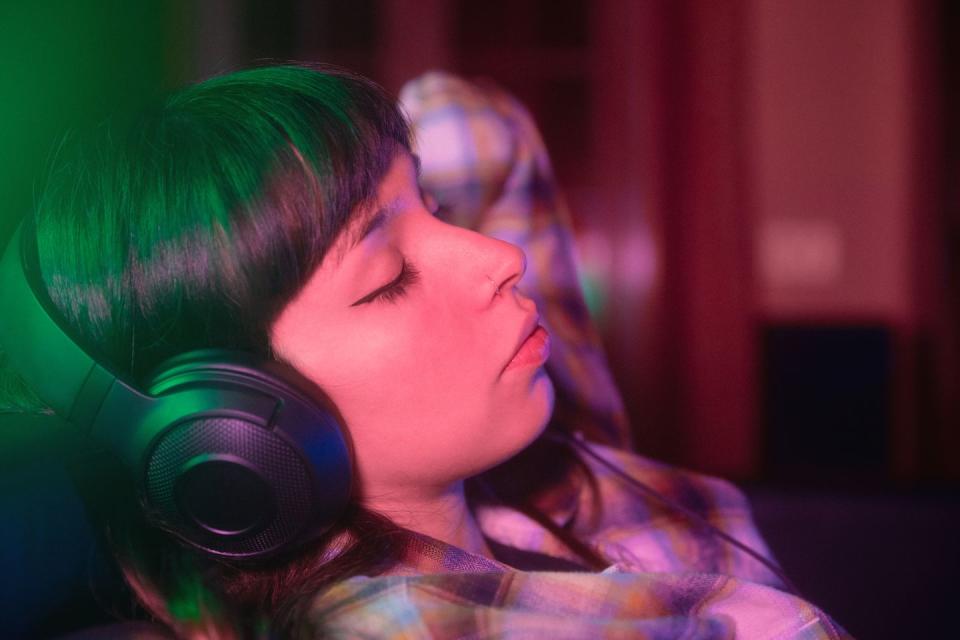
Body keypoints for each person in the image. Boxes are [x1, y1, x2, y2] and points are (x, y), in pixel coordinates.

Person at [0, 64, 847, 639]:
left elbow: (480, 128)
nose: (499, 259)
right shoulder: (407, 623)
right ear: (230, 437)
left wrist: (354, 175)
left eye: (436, 206)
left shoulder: (520, 463)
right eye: (389, 278)